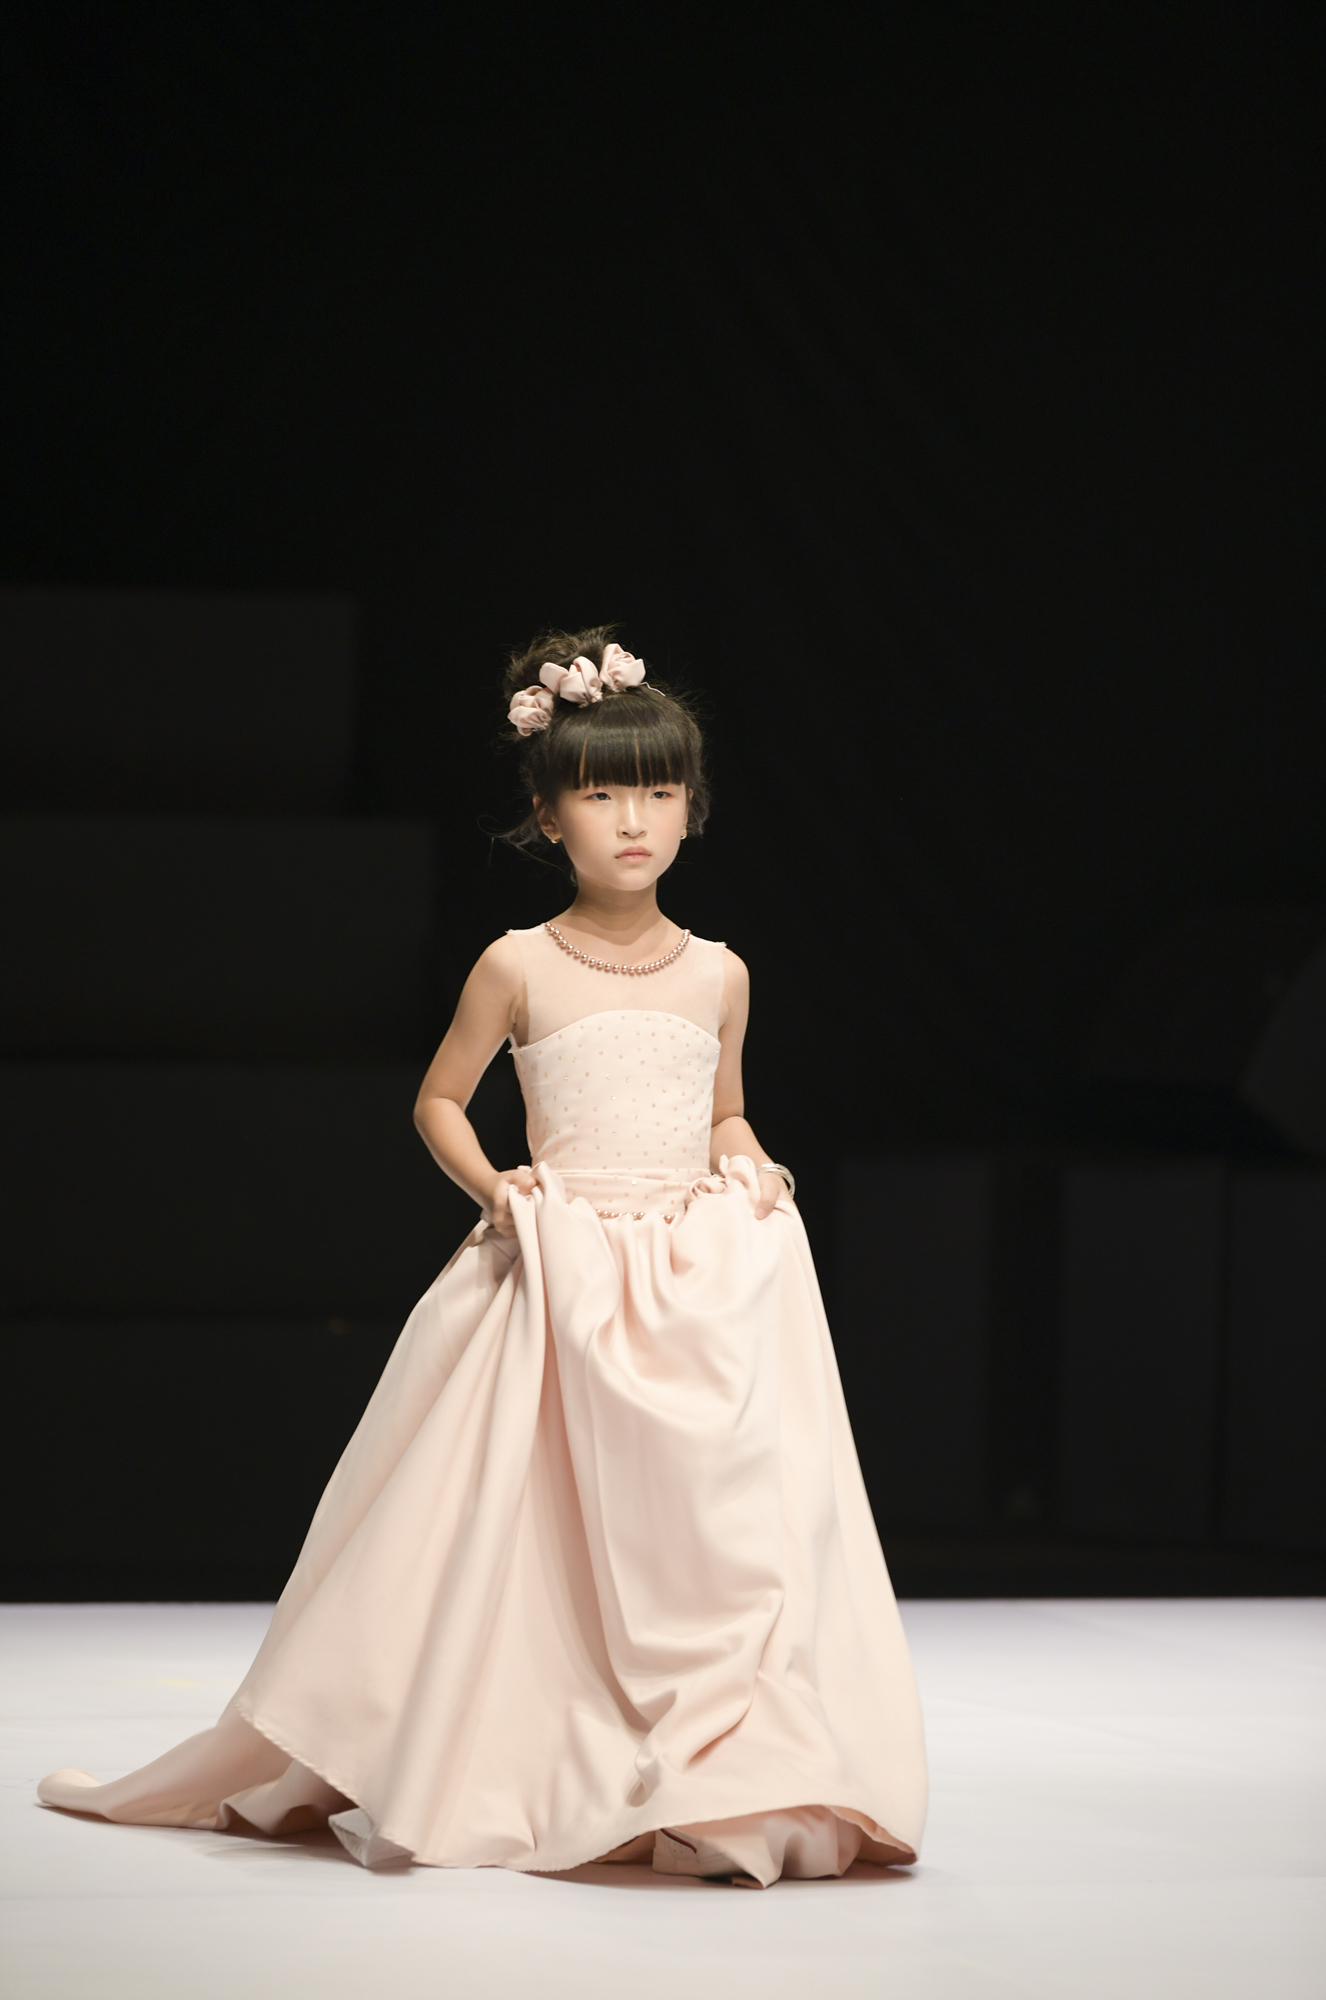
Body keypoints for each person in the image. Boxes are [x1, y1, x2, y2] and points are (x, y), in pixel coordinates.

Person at [38, 627, 927, 1888]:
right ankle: (515, 1742)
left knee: (703, 1525)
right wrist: (500, 1189)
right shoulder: (518, 961)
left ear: (692, 806)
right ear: (548, 813)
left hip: (689, 1275)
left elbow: (723, 1108)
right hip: (557, 1266)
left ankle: (710, 1761)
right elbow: (439, 1099)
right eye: (602, 793)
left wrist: (751, 1163)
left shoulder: (720, 973)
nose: (634, 819)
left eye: (658, 791)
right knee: (516, 1517)